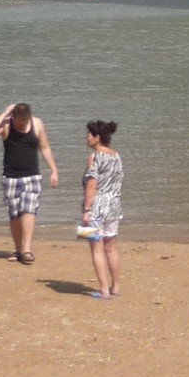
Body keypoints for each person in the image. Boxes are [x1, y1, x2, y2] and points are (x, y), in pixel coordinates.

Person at [0, 102, 59, 265]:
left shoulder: (37, 124)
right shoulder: (6, 125)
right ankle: (18, 249)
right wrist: (4, 114)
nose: (22, 125)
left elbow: (45, 148)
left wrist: (53, 170)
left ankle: (27, 249)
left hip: (32, 176)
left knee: (29, 210)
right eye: (19, 122)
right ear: (14, 116)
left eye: (25, 122)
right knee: (15, 215)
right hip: (10, 177)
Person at [81, 120, 124, 299]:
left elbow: (91, 185)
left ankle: (104, 290)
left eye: (89, 134)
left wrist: (86, 209)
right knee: (111, 247)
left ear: (97, 137)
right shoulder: (116, 156)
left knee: (96, 249)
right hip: (114, 205)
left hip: (97, 206)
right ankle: (115, 286)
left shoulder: (94, 157)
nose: (86, 137)